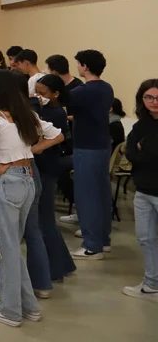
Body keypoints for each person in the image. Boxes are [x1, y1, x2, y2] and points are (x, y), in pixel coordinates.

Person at [0, 69, 63, 327]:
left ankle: (10, 310)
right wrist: (33, 150)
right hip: (28, 179)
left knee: (8, 247)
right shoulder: (26, 114)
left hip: (9, 180)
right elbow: (56, 134)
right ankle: (29, 306)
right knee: (14, 245)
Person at [66, 49, 115, 259]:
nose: (77, 67)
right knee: (101, 193)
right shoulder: (106, 88)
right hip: (102, 144)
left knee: (87, 196)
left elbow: (59, 101)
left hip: (86, 147)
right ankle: (103, 239)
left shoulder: (82, 91)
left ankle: (91, 244)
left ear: (85, 66)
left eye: (78, 63)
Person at [33, 75, 77, 283]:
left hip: (47, 168)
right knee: (44, 219)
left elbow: (47, 139)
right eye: (37, 92)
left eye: (43, 94)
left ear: (56, 94)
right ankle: (64, 263)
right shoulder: (43, 110)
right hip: (43, 167)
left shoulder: (57, 114)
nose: (38, 97)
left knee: (45, 220)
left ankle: (56, 269)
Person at [124, 79, 158, 300]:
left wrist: (144, 149)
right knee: (145, 239)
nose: (154, 102)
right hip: (143, 191)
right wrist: (142, 151)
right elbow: (129, 153)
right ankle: (152, 284)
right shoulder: (140, 125)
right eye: (149, 97)